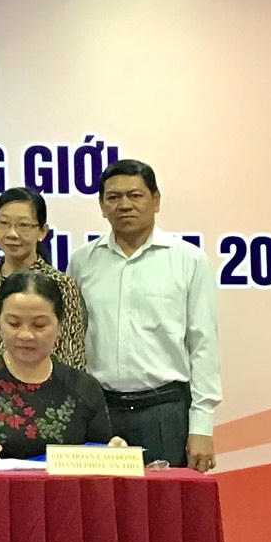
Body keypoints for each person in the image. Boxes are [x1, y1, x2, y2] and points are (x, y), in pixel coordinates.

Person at [68, 158, 221, 470]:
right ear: (102, 206)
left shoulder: (188, 260)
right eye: (113, 197)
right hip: (100, 411)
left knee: (164, 501)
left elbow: (203, 345)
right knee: (99, 500)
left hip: (164, 410)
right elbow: (72, 341)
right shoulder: (82, 262)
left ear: (156, 200)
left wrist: (202, 427)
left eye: (135, 195)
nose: (124, 205)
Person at [0, 269, 119, 464]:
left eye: (39, 325)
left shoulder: (84, 387)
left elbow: (102, 452)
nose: (25, 335)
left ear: (60, 325)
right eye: (14, 323)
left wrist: (116, 453)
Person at [0, 187, 86, 367]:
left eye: (23, 225)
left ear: (42, 231)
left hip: (46, 383)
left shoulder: (62, 285)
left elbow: (72, 356)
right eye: (3, 223)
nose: (12, 233)